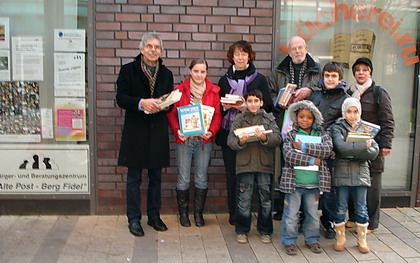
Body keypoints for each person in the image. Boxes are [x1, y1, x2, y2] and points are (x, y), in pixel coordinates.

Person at [116, 32, 174, 237]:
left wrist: (163, 104)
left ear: (161, 51)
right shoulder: (128, 70)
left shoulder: (166, 73)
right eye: (149, 46)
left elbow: (170, 101)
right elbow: (121, 98)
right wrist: (142, 103)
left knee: (156, 178)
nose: (153, 50)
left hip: (157, 131)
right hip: (136, 131)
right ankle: (133, 219)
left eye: (157, 47)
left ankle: (154, 216)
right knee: (134, 179)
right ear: (141, 49)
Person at [216, 40, 272, 225]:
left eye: (243, 54)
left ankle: (252, 212)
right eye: (236, 54)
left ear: (250, 56)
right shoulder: (224, 80)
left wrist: (245, 107)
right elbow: (217, 108)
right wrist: (225, 106)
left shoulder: (259, 79)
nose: (240, 57)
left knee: (251, 175)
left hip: (254, 135)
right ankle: (234, 213)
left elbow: (269, 106)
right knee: (232, 174)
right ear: (231, 57)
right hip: (230, 134)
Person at [268, 36, 322, 221]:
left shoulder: (317, 69)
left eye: (300, 48)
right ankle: (286, 208)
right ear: (288, 52)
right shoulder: (278, 71)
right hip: (286, 122)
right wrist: (280, 101)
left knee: (308, 163)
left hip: (309, 124)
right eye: (294, 49)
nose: (297, 51)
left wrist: (311, 91)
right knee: (287, 164)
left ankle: (307, 211)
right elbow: (270, 92)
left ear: (306, 48)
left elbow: (325, 90)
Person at [167, 58, 222, 227]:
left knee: (201, 178)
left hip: (203, 142)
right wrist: (177, 130)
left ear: (207, 72)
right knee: (183, 178)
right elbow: (171, 113)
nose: (199, 75)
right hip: (185, 140)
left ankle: (198, 214)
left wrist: (211, 132)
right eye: (196, 71)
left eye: (203, 71)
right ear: (190, 71)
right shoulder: (179, 90)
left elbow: (218, 115)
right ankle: (183, 214)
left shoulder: (213, 91)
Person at [346, 57, 394, 233]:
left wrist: (386, 144)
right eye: (357, 69)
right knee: (353, 181)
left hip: (373, 147)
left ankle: (372, 223)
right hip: (353, 146)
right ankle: (353, 218)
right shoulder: (349, 92)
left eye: (365, 69)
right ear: (353, 73)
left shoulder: (378, 93)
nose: (361, 72)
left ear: (370, 72)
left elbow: (387, 120)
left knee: (372, 186)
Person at [227, 89, 281, 244]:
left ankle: (265, 231)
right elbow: (230, 141)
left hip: (265, 165)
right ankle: (242, 230)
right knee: (244, 199)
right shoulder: (239, 119)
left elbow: (277, 139)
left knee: (266, 200)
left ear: (261, 103)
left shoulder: (268, 118)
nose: (253, 104)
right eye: (250, 101)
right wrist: (241, 142)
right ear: (246, 102)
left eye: (256, 101)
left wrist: (264, 137)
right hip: (245, 166)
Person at [279, 100, 332, 255]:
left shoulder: (322, 134)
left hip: (314, 183)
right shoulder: (290, 135)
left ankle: (312, 239)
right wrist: (312, 159)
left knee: (313, 215)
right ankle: (289, 241)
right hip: (294, 183)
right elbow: (289, 155)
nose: (305, 120)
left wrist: (302, 147)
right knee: (291, 215)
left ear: (314, 118)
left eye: (309, 117)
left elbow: (326, 150)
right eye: (301, 116)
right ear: (296, 117)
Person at [330, 97, 379, 253]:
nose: (352, 115)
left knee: (361, 208)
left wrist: (354, 151)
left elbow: (374, 152)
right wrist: (363, 147)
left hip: (361, 174)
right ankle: (340, 238)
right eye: (349, 111)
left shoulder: (366, 128)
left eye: (355, 111)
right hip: (342, 172)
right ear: (344, 112)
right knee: (340, 207)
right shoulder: (337, 127)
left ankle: (362, 240)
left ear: (360, 112)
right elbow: (341, 148)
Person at [308, 62, 349, 239]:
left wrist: (331, 146)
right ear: (322, 77)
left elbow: (343, 126)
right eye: (327, 75)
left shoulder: (345, 99)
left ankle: (329, 222)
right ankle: (307, 219)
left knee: (329, 190)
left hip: (330, 150)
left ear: (340, 79)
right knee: (309, 185)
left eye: (334, 76)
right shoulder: (315, 95)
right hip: (312, 147)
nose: (330, 79)